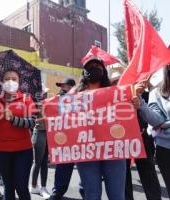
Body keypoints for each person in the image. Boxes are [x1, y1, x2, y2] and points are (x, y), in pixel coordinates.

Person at [75, 57, 132, 200]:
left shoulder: (115, 92)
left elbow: (125, 115)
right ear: (84, 72)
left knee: (117, 195)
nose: (94, 68)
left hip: (113, 149)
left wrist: (134, 104)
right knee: (92, 195)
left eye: (97, 66)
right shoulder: (74, 95)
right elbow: (62, 116)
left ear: (104, 71)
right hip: (86, 150)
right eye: (90, 67)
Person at [0, 69, 36, 200]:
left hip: (23, 150)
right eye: (7, 79)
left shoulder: (26, 99)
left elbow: (31, 123)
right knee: (8, 185)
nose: (10, 81)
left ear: (19, 82)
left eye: (14, 79)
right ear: (2, 82)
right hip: (1, 151)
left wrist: (14, 119)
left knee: (21, 185)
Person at [109, 72, 162, 200]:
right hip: (120, 142)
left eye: (120, 81)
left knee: (149, 175)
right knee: (124, 178)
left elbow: (155, 118)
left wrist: (139, 102)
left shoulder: (140, 95)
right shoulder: (108, 99)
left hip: (142, 138)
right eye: (114, 82)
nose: (118, 84)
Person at [137, 64, 170, 197]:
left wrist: (166, 124)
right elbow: (156, 120)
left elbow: (162, 123)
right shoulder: (157, 93)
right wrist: (140, 102)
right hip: (166, 151)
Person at [49, 78, 78, 200]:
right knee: (62, 168)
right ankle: (57, 192)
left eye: (64, 87)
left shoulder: (80, 99)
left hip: (81, 140)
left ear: (72, 88)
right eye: (60, 86)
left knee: (87, 172)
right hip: (64, 142)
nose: (61, 89)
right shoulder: (56, 99)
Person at [30, 86, 50, 199]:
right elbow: (32, 121)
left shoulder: (49, 104)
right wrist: (44, 118)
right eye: (44, 93)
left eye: (46, 93)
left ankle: (43, 187)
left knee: (44, 163)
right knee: (38, 162)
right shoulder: (35, 105)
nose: (45, 95)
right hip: (39, 133)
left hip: (48, 133)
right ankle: (34, 185)